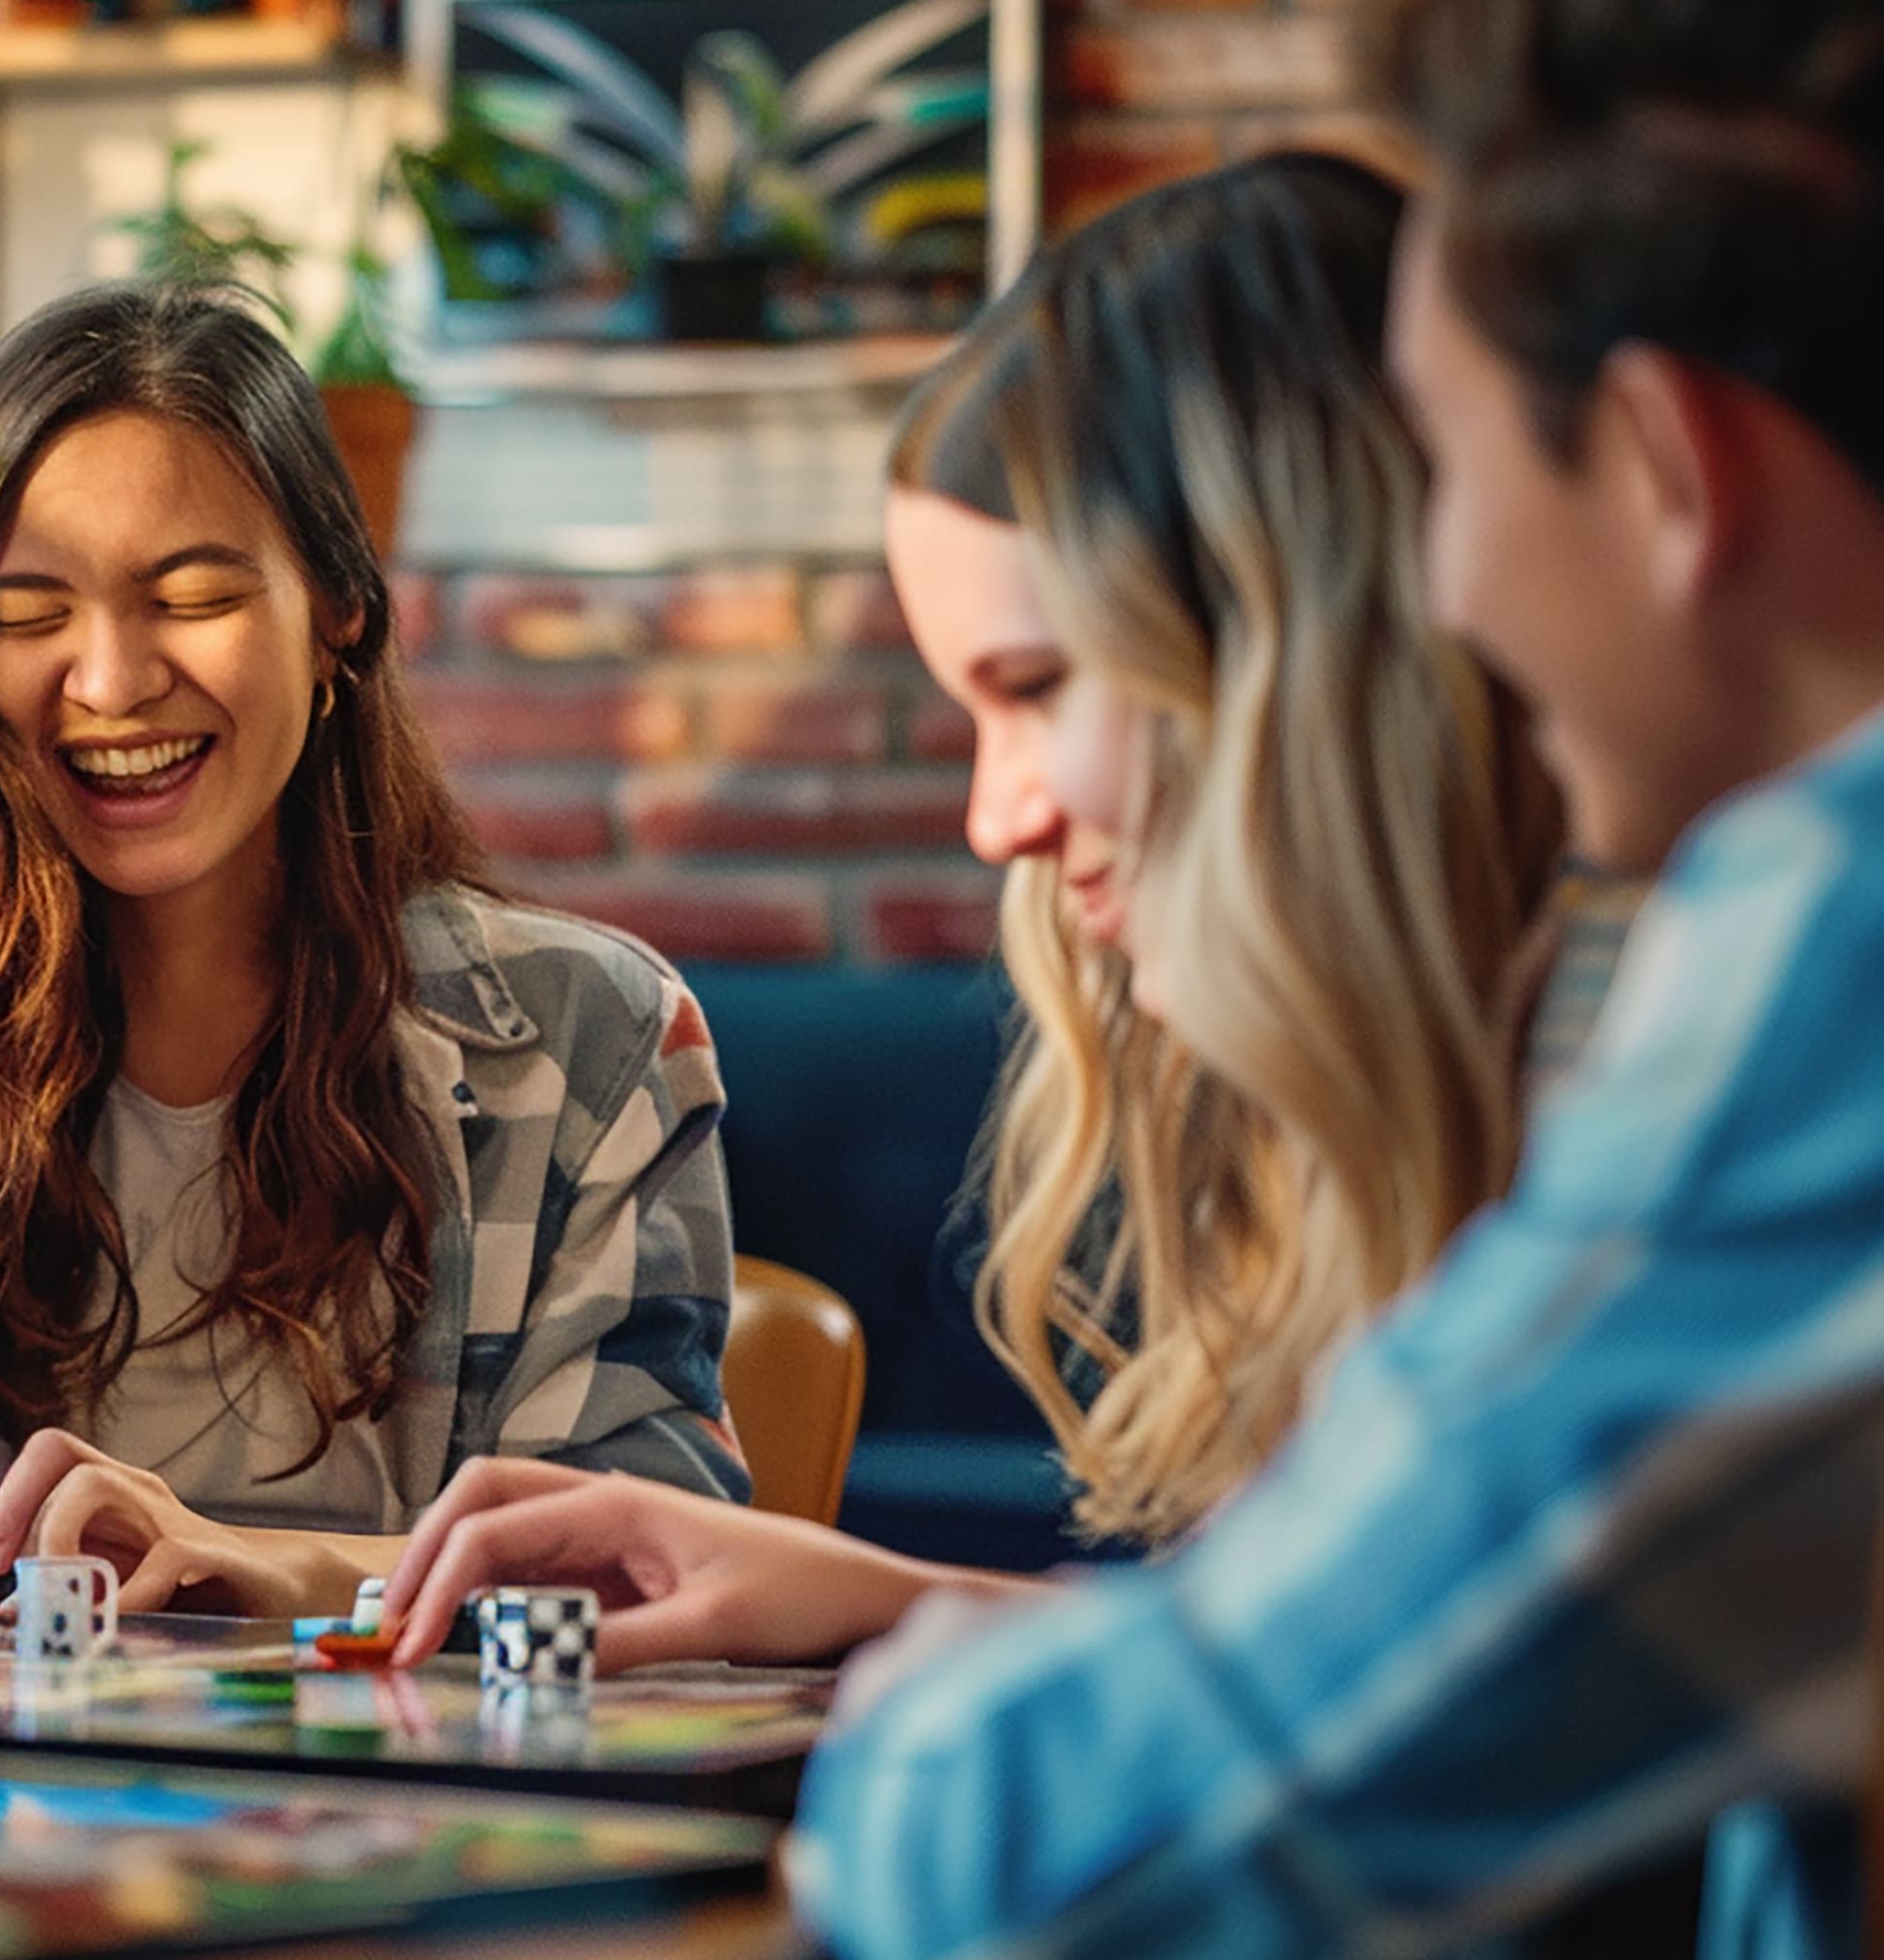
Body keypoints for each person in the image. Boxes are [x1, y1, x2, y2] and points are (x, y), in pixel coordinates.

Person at [468, 0, 1884, 1960]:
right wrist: (942, 1610)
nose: (1459, 601)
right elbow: (1480, 1674)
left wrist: (952, 1698)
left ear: (1664, 472)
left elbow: (1056, 1899)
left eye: (1463, 479)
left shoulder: (1816, 950)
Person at [383, 152, 1571, 1671]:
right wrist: (895, 1596)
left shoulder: (1650, 1099)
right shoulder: (1393, 1126)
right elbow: (1358, 1674)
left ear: (1307, 672)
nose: (996, 817)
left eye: (1039, 688)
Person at [0, 280, 744, 1621]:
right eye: (26, 615)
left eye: (191, 596)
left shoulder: (598, 1036)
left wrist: (269, 1569)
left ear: (337, 616)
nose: (113, 681)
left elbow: (651, 1562)